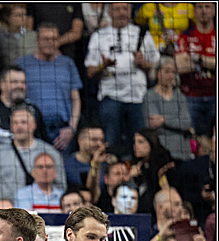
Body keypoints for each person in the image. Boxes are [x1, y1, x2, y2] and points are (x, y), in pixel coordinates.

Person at [86, 3, 161, 158]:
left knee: (140, 143)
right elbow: (90, 71)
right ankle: (110, 170)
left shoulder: (142, 34)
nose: (122, 12)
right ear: (110, 12)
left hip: (138, 97)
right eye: (117, 9)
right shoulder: (98, 36)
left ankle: (138, 171)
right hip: (110, 96)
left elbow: (157, 65)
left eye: (125, 8)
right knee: (110, 142)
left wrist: (143, 63)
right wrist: (103, 66)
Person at [16, 24, 83, 150]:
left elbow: (76, 99)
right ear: (37, 41)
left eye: (54, 39)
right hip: (31, 127)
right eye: (46, 39)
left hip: (61, 130)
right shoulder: (22, 63)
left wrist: (71, 128)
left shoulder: (67, 63)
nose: (50, 43)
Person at [0, 67, 50, 167]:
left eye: (23, 82)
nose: (20, 86)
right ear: (2, 85)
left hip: (26, 169)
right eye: (14, 82)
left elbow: (42, 143)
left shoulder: (33, 111)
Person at [0, 107, 65, 204]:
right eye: (15, 123)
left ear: (34, 125)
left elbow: (61, 188)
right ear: (11, 126)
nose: (19, 126)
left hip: (39, 210)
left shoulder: (51, 153)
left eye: (23, 122)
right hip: (6, 210)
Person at [175, 2, 216, 134]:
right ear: (194, 11)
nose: (203, 10)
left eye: (207, 7)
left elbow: (187, 62)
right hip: (190, 97)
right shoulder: (185, 36)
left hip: (214, 96)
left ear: (214, 11)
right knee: (191, 138)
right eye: (199, 7)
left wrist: (197, 59)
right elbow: (179, 66)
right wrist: (210, 62)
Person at [144, 56, 194, 161]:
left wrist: (164, 120)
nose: (171, 75)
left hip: (182, 151)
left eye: (173, 72)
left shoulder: (180, 97)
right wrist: (176, 121)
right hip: (161, 151)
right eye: (167, 71)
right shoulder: (149, 96)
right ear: (157, 73)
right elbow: (153, 124)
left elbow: (186, 123)